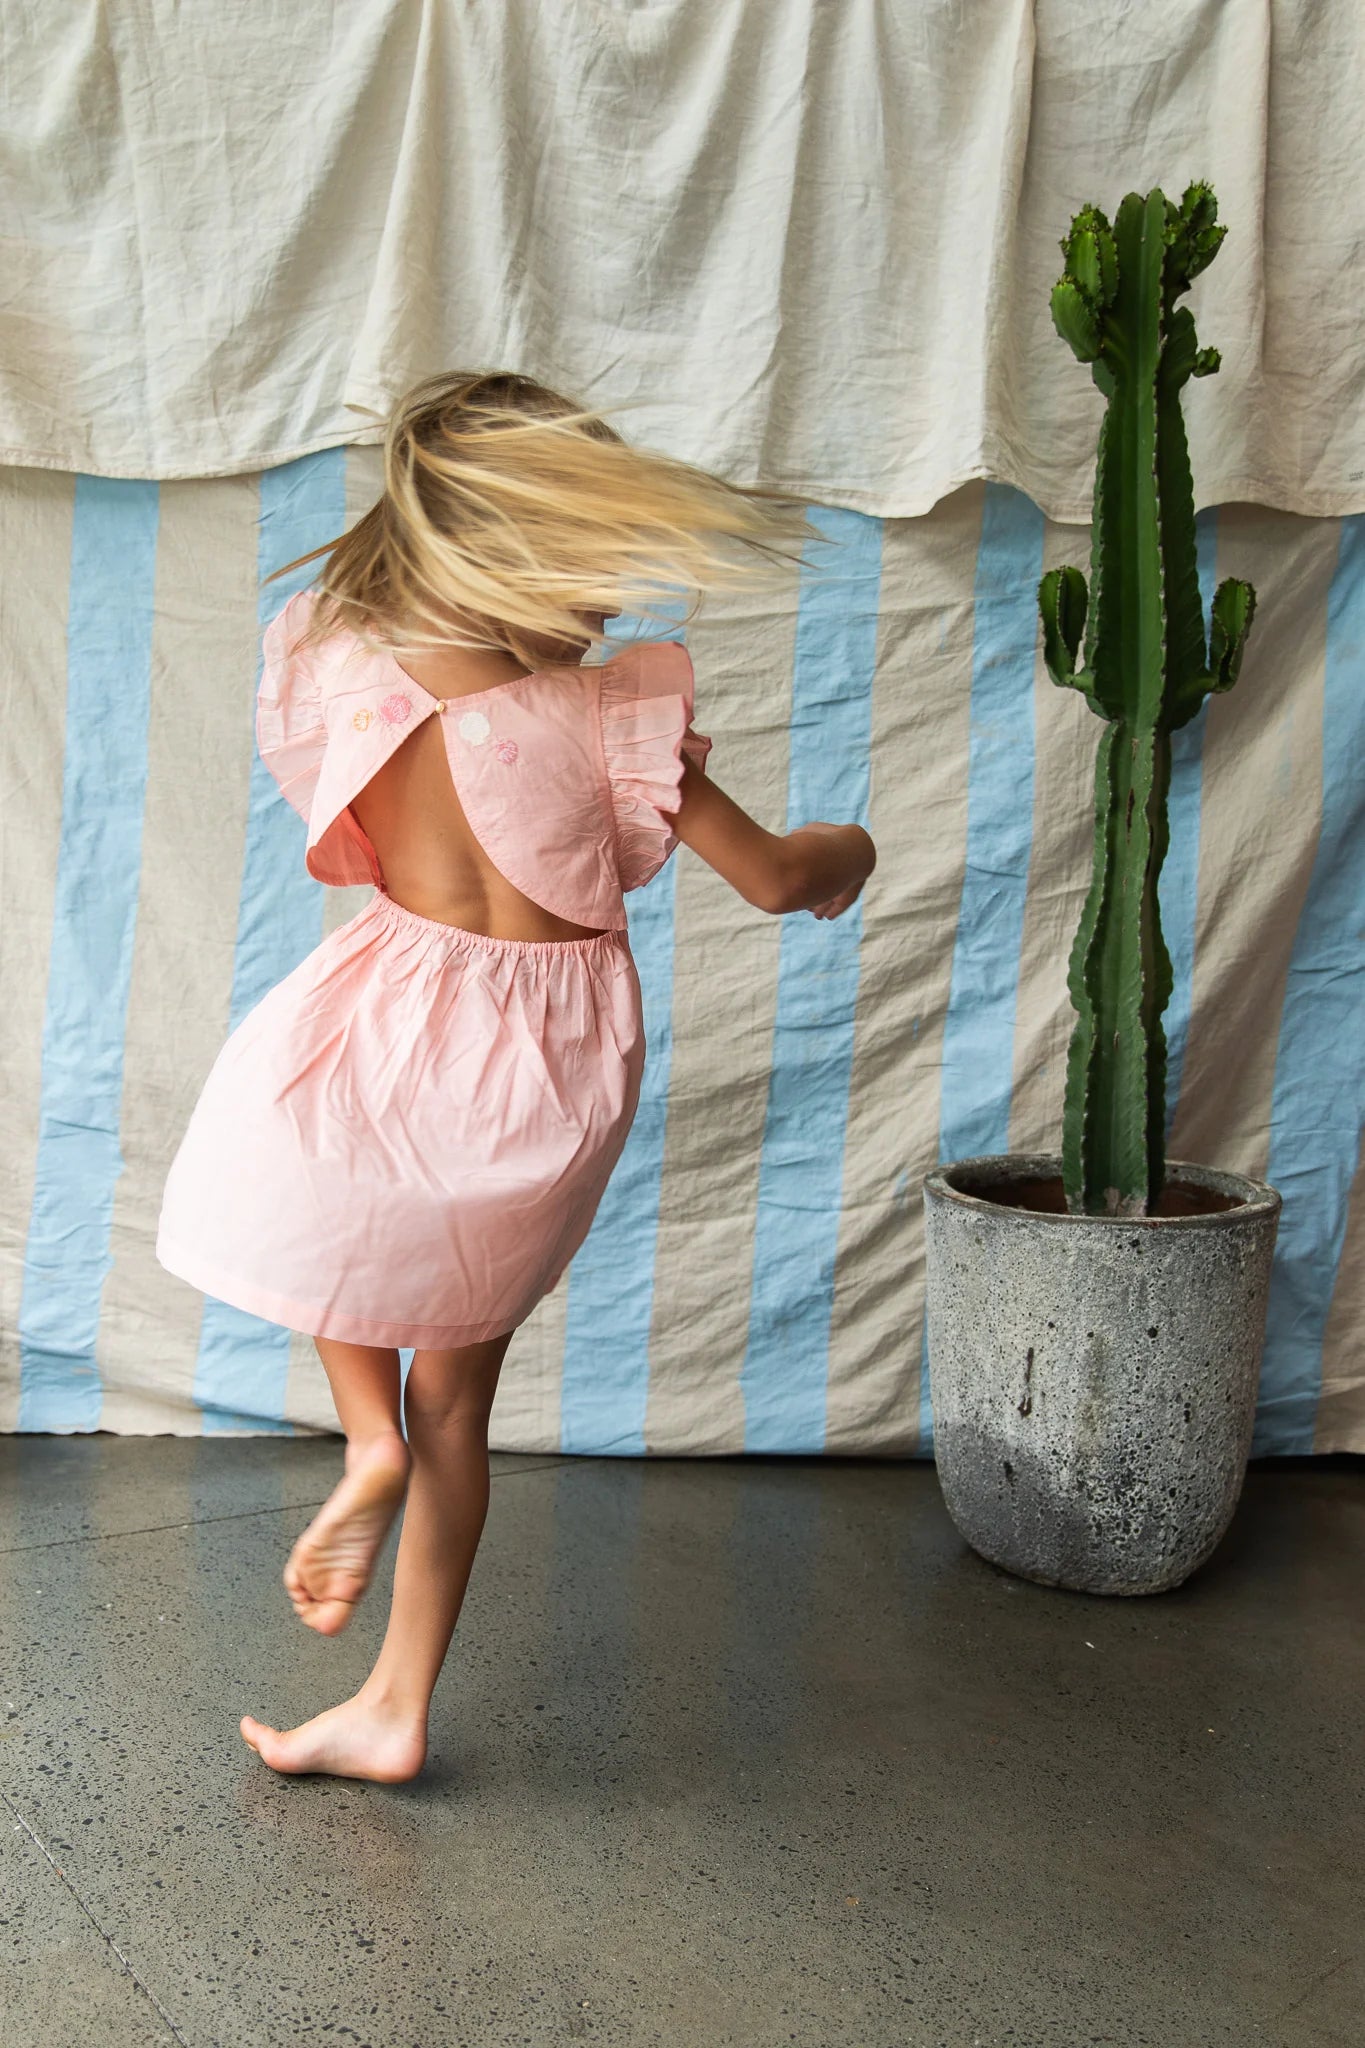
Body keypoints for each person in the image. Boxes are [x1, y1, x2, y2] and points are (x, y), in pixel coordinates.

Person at [155, 369, 877, 1783]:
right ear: (509, 556)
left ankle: (363, 1443)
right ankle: (394, 1696)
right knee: (456, 1403)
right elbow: (778, 879)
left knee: (321, 1193)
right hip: (544, 1067)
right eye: (586, 569)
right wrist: (846, 849)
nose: (606, 606)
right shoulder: (612, 720)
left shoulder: (349, 667)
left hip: (388, 1010)